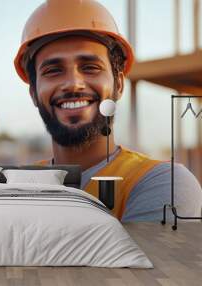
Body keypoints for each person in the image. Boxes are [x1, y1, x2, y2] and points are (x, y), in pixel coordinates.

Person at [13, 0, 202, 221]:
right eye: (53, 71)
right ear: (34, 93)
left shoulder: (161, 182)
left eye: (90, 68)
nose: (74, 83)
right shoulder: (16, 184)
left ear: (119, 84)